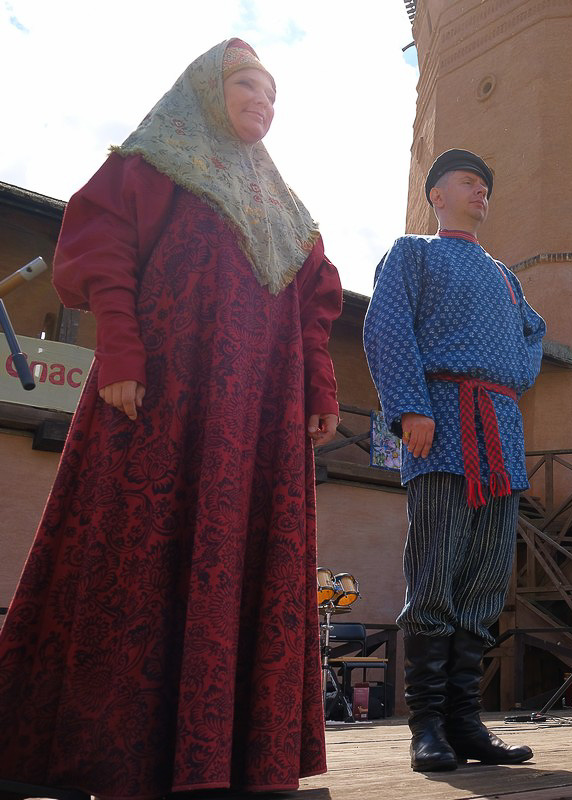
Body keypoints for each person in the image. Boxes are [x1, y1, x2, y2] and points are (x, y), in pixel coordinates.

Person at [0, 40, 342, 799]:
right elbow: (101, 250)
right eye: (248, 84)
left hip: (255, 419)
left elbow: (313, 304)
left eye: (275, 93)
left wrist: (318, 384)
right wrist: (120, 352)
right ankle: (115, 754)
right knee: (133, 552)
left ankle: (233, 759)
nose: (265, 101)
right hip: (163, 398)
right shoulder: (151, 163)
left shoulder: (285, 208)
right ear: (203, 91)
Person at [363, 148, 544, 772]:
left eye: (487, 186)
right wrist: (411, 405)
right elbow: (387, 325)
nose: (481, 193)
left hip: (501, 428)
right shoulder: (413, 252)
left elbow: (533, 333)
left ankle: (467, 722)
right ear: (436, 195)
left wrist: (511, 379)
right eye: (470, 182)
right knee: (435, 568)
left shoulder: (506, 277)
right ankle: (427, 727)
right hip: (439, 420)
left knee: (488, 574)